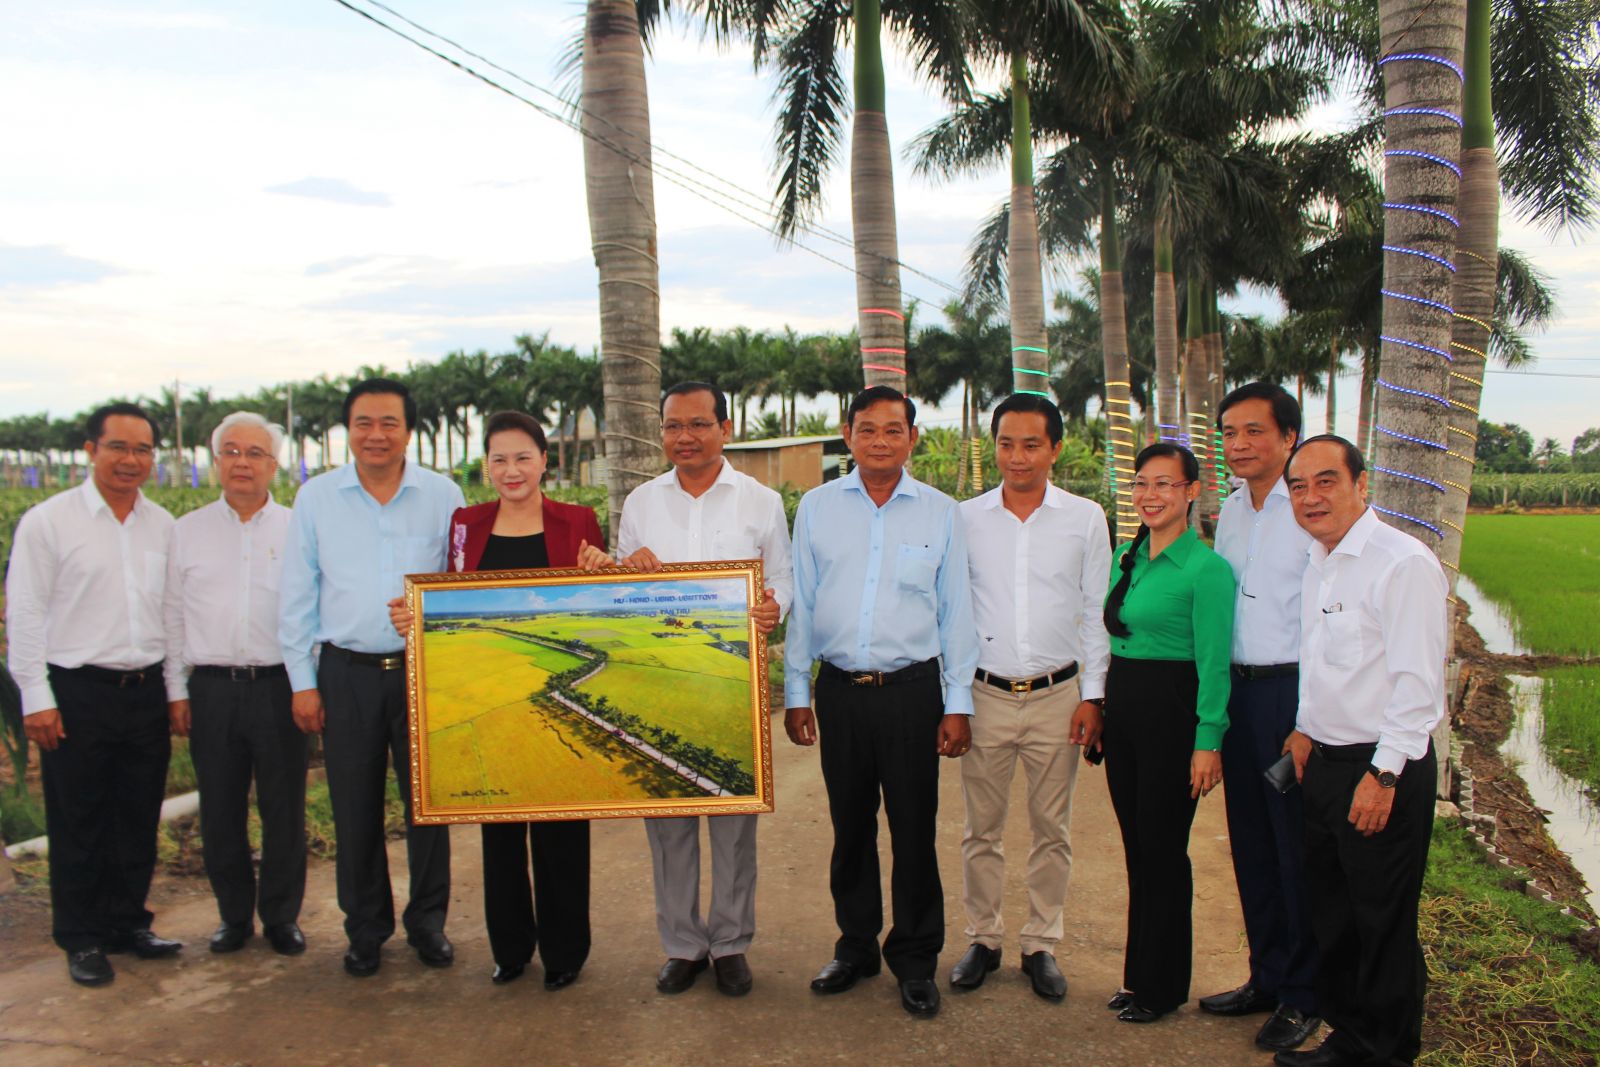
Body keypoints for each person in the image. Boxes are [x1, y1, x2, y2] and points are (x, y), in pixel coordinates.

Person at [576, 381, 791, 998]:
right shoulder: (642, 501)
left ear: (725, 428)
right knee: (667, 822)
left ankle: (730, 943)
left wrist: (775, 608)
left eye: (698, 424)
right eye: (673, 426)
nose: (684, 437)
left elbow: (781, 577)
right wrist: (621, 570)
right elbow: (620, 592)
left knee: (732, 822)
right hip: (659, 675)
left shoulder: (760, 501)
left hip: (732, 682)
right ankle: (681, 945)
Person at [389, 410, 604, 991]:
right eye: (500, 460)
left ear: (544, 462)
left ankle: (565, 954)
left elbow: (596, 603)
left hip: (552, 686)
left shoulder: (577, 520)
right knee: (500, 831)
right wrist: (417, 618)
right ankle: (511, 949)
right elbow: (448, 598)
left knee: (562, 830)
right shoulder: (466, 523)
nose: (512, 470)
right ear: (487, 467)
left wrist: (602, 569)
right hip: (490, 691)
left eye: (523, 458)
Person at [784, 385, 978, 1019]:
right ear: (848, 435)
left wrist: (958, 704)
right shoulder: (815, 508)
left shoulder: (942, 513)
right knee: (850, 828)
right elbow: (805, 605)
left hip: (913, 694)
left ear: (912, 439)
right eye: (867, 430)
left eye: (893, 431)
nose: (880, 442)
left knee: (915, 831)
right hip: (839, 691)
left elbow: (956, 614)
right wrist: (796, 693)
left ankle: (916, 959)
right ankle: (856, 945)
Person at [278, 377, 465, 978]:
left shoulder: (443, 495)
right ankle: (365, 929)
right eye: (364, 423)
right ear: (348, 431)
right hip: (345, 672)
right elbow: (297, 594)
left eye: (389, 422)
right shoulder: (317, 499)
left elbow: (460, 585)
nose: (376, 434)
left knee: (428, 807)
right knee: (353, 807)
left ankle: (427, 923)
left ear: (409, 431)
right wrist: (302, 681)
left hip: (422, 672)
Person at [1277, 435, 1446, 1067]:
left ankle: (1387, 1051)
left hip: (1380, 768)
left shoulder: (1401, 563)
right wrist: (1301, 727)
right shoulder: (1318, 560)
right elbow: (1321, 662)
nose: (1311, 497)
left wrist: (1383, 774)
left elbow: (1417, 684)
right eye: (1299, 486)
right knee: (1336, 914)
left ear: (1361, 484)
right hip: (1322, 761)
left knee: (1382, 921)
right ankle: (1350, 1039)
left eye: (1327, 482)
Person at [6, 403, 181, 986]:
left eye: (143, 450)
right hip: (77, 690)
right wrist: (36, 694)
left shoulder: (161, 526)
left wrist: (175, 690)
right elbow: (26, 611)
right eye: (118, 448)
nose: (131, 461)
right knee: (79, 818)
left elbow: (172, 614)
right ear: (90, 450)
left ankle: (127, 922)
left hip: (144, 690)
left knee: (136, 814)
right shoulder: (49, 522)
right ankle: (80, 937)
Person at [949, 394, 1110, 1002]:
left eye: (1031, 444)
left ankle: (1041, 942)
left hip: (1057, 695)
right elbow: (951, 611)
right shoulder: (963, 518)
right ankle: (984, 939)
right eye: (1006, 443)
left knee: (1053, 829)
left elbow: (1095, 612)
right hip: (985, 693)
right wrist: (955, 701)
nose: (1017, 457)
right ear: (993, 446)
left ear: (1055, 449)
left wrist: (1092, 697)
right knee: (980, 829)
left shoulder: (1085, 518)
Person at [1199, 383, 1321, 1051]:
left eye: (1254, 431)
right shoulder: (1232, 510)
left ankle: (1305, 994)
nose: (1239, 444)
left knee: (1293, 846)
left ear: (1288, 436)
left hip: (1290, 695)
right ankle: (1266, 975)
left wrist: (1307, 719)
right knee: (1248, 842)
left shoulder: (1306, 506)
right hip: (1239, 692)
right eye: (1230, 432)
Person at [1099, 442, 1234, 1024]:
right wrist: (1102, 710)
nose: (1150, 496)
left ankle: (1163, 986)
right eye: (1142, 485)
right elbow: (1113, 640)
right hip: (1126, 710)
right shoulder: (1127, 557)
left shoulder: (1207, 569)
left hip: (1171, 717)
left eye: (1164, 485)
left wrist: (1208, 740)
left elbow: (1214, 663)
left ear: (1190, 493)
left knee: (1163, 851)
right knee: (1138, 850)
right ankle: (1139, 977)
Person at [165, 412, 308, 958]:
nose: (242, 462)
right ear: (215, 461)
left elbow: (309, 614)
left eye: (254, 453)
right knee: (220, 808)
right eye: (231, 451)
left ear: (274, 465)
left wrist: (307, 685)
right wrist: (176, 691)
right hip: (212, 689)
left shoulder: (297, 528)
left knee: (283, 808)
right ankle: (231, 917)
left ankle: (280, 917)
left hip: (279, 686)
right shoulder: (188, 531)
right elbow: (173, 616)